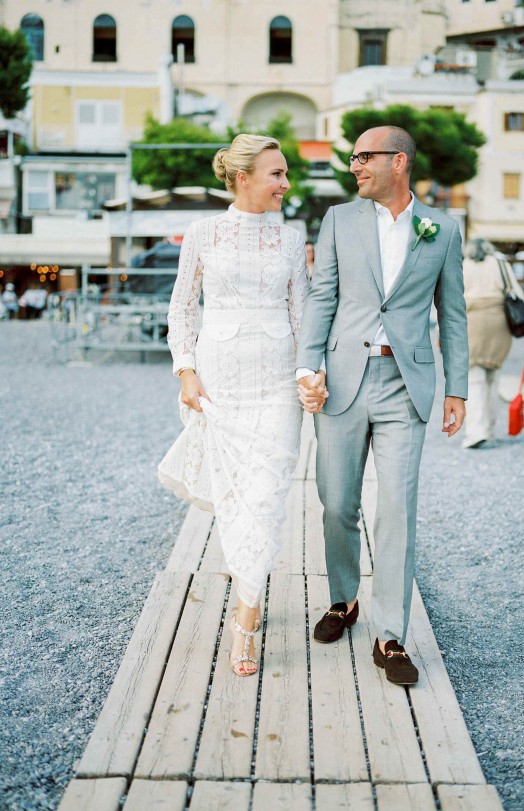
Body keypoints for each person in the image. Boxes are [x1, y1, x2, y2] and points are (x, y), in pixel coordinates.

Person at [296, 125, 468, 686]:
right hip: (344, 380)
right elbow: (323, 296)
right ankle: (343, 600)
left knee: (397, 507)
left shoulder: (441, 228)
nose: (354, 166)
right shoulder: (340, 220)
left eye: (363, 157)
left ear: (399, 162)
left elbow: (454, 312)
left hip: (406, 383)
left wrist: (457, 389)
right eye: (351, 158)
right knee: (338, 502)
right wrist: (308, 365)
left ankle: (390, 634)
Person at [158, 134, 308, 676]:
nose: (285, 184)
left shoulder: (293, 240)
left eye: (285, 173)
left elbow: (301, 314)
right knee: (235, 496)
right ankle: (252, 584)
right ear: (243, 177)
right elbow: (182, 308)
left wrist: (308, 374)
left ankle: (244, 622)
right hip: (219, 384)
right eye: (277, 174)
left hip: (276, 385)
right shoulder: (201, 234)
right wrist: (186, 371)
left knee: (266, 496)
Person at [462, 239, 524, 449]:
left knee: (474, 378)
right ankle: (490, 430)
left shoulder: (463, 265)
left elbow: (450, 300)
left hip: (471, 323)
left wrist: (442, 331)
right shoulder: (500, 264)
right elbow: (518, 295)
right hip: (499, 323)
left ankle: (476, 431)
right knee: (493, 378)